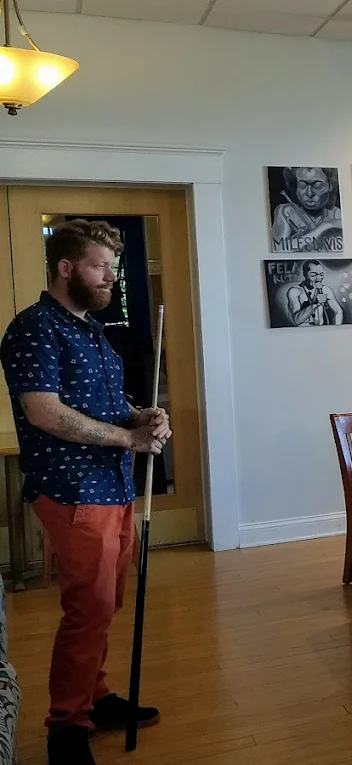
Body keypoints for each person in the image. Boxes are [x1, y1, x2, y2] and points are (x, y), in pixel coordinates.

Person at [0, 219, 170, 765]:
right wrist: (128, 435)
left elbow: (102, 400)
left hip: (112, 483)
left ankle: (93, 698)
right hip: (74, 489)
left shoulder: (89, 329)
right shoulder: (34, 328)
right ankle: (65, 726)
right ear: (66, 268)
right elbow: (44, 412)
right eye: (101, 267)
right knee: (87, 607)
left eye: (114, 269)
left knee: (106, 602)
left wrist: (140, 414)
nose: (111, 279)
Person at [285, 259, 343, 326]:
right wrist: (314, 304)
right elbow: (296, 320)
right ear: (304, 274)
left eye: (321, 275)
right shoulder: (295, 291)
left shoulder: (326, 290)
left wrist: (336, 328)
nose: (318, 278)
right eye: (313, 275)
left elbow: (338, 311)